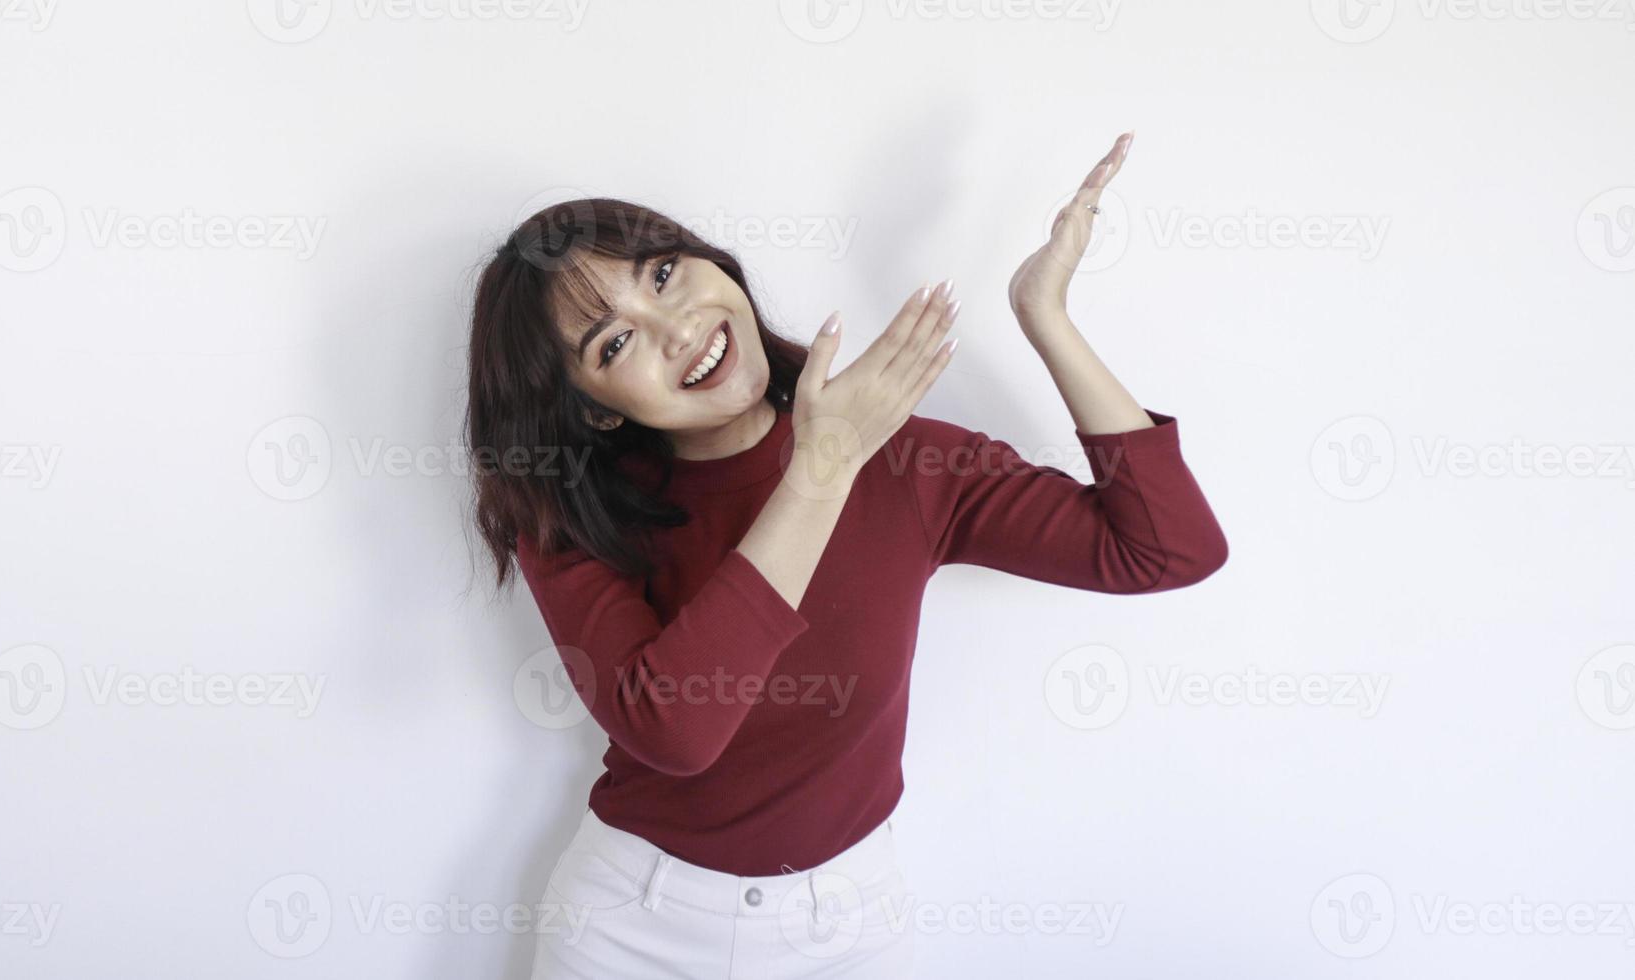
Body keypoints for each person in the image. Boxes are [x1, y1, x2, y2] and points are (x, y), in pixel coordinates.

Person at [463, 132, 1227, 978]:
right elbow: (674, 730)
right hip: (633, 929)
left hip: (846, 928)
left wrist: (1045, 315)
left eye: (663, 274)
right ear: (597, 411)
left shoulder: (906, 463)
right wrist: (819, 474)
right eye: (614, 344)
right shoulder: (570, 516)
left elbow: (1167, 549)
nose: (676, 330)